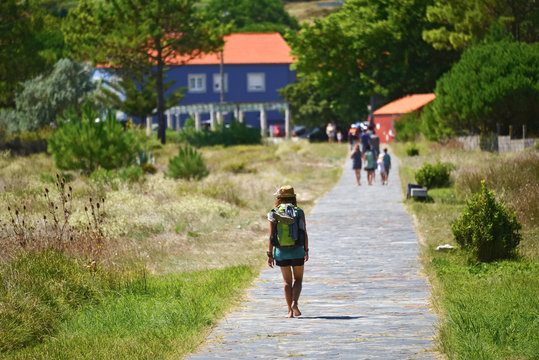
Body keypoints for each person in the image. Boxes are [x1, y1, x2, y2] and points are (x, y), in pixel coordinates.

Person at [267, 186, 309, 318]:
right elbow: (304, 232)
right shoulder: (299, 212)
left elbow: (271, 235)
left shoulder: (273, 212)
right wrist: (306, 250)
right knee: (298, 279)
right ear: (293, 197)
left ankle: (289, 312)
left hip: (281, 251)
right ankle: (294, 303)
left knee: (286, 282)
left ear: (279, 198)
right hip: (297, 250)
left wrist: (270, 254)